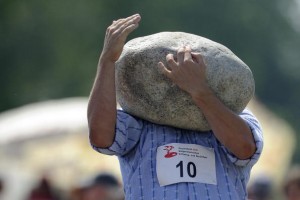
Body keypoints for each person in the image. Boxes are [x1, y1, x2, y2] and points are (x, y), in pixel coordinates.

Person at [87, 13, 263, 200]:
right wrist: (107, 60)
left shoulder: (237, 115)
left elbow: (245, 148)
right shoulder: (139, 120)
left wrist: (199, 91)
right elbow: (100, 136)